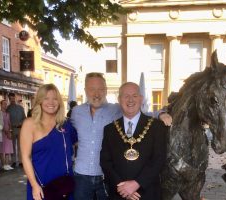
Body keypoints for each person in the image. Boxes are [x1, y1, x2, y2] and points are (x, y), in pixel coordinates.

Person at [70, 72, 172, 200]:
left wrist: (161, 114)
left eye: (101, 89)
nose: (96, 94)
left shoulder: (117, 108)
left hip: (104, 178)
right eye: (92, 89)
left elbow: (141, 112)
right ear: (85, 90)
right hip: (82, 175)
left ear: (106, 90)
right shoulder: (76, 112)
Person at [100, 82, 167, 200]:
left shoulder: (157, 127)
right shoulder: (109, 129)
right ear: (119, 100)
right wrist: (122, 187)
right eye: (126, 96)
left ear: (141, 99)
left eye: (134, 96)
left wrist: (136, 184)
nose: (130, 100)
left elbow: (159, 159)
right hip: (119, 194)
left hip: (148, 193)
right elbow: (105, 162)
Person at [20, 84, 77, 200]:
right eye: (46, 98)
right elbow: (25, 157)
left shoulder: (66, 124)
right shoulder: (29, 124)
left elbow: (79, 144)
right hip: (41, 185)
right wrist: (34, 185)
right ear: (40, 101)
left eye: (55, 98)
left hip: (64, 185)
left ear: (59, 102)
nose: (51, 102)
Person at [7, 92, 26, 167]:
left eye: (13, 98)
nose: (12, 100)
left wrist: (21, 123)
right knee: (12, 146)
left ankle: (21, 161)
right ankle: (14, 161)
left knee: (20, 146)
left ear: (15, 98)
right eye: (10, 99)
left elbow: (24, 118)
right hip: (12, 129)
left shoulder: (21, 108)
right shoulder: (8, 109)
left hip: (20, 129)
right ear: (9, 99)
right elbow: (7, 120)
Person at [0, 100, 14, 171]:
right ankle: (3, 164)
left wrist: (10, 131)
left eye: (6, 104)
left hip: (8, 132)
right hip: (2, 133)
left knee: (8, 148)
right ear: (0, 105)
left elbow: (9, 123)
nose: (5, 105)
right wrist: (6, 132)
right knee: (2, 150)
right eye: (4, 104)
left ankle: (7, 164)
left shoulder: (8, 113)